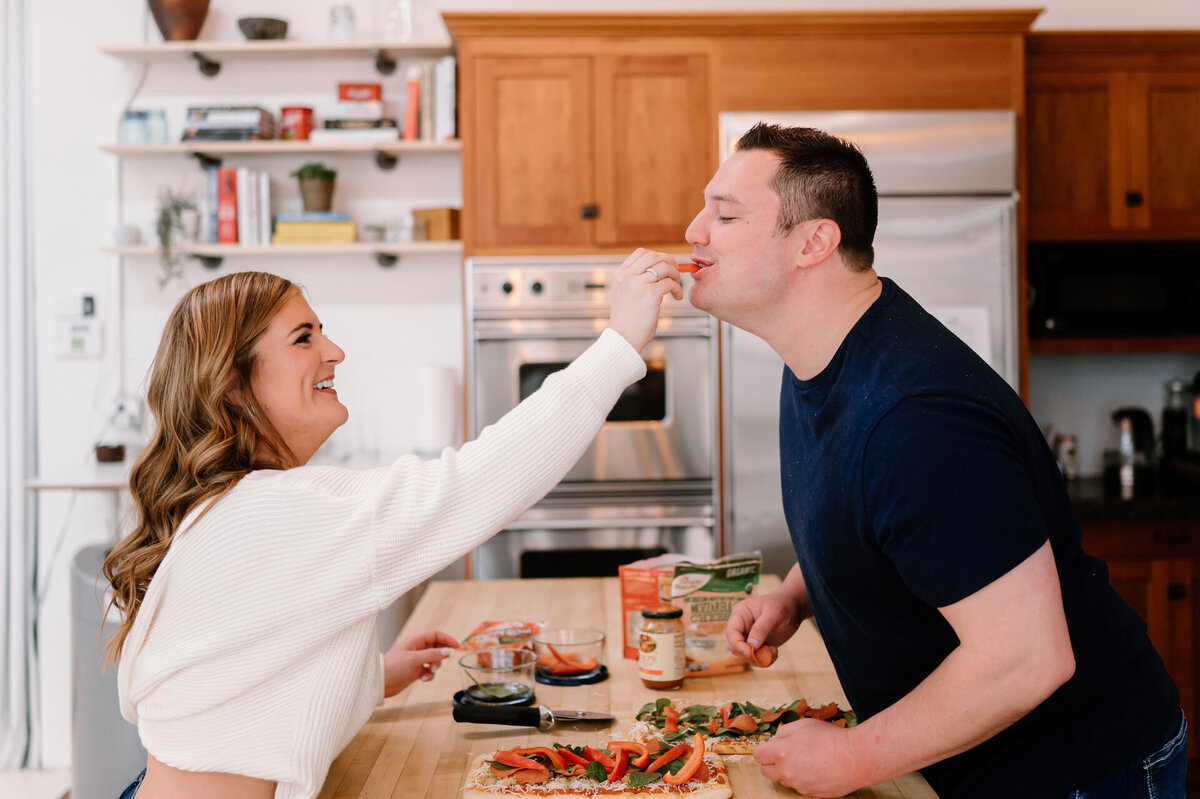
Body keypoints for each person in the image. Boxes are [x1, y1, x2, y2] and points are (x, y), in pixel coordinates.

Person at [682, 124, 1185, 799]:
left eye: (725, 213)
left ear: (813, 242)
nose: (694, 230)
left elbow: (1027, 659)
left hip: (1079, 769)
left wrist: (853, 756)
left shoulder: (913, 416)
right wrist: (796, 595)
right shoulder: (820, 355)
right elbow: (878, 516)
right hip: (970, 762)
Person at [103, 255, 683, 799]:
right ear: (233, 384)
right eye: (304, 338)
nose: (335, 352)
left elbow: (235, 676)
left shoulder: (226, 507)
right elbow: (479, 481)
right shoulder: (276, 511)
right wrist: (620, 343)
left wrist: (371, 676)